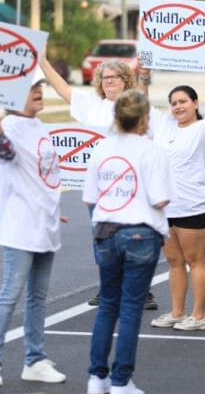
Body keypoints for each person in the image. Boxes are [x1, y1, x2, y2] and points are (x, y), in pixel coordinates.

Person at [39, 56, 158, 310]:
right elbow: (61, 88)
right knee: (103, 239)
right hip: (101, 186)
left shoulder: (132, 103)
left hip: (130, 183)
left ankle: (143, 291)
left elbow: (142, 97)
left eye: (113, 77)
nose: (108, 82)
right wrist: (41, 60)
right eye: (104, 78)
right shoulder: (92, 104)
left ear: (125, 79)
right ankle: (108, 290)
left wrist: (145, 74)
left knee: (133, 237)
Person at [0, 77, 68, 388]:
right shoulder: (11, 126)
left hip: (46, 223)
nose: (39, 92)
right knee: (10, 293)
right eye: (32, 89)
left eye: (40, 87)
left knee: (38, 297)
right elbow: (4, 152)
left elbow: (46, 175)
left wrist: (53, 208)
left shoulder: (43, 128)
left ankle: (35, 360)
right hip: (20, 225)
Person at [84, 89, 173, 394]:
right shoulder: (152, 151)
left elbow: (90, 199)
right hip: (140, 232)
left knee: (107, 303)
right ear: (144, 120)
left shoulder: (101, 149)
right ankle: (122, 381)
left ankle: (97, 377)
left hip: (106, 230)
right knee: (132, 306)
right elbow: (160, 198)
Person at [146, 60, 205, 332]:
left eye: (183, 101)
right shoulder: (165, 125)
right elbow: (140, 104)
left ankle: (199, 315)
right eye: (173, 102)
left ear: (195, 103)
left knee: (195, 262)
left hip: (193, 205)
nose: (177, 106)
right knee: (174, 262)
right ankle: (178, 312)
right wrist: (143, 77)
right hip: (164, 207)